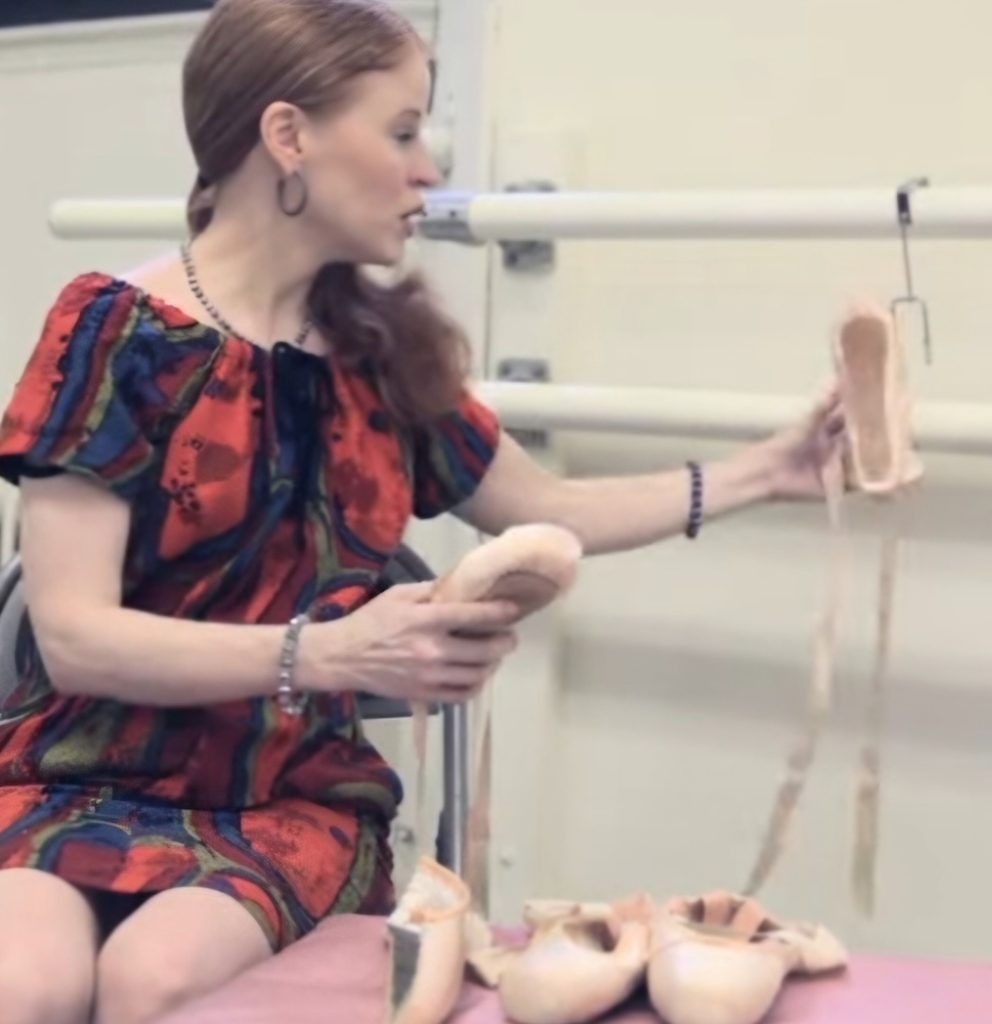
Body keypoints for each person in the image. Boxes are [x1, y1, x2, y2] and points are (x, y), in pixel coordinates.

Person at [0, 1, 844, 1022]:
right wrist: (331, 651)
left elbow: (549, 507)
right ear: (288, 136)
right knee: (24, 983)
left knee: (153, 980)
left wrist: (768, 470)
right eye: (400, 132)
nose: (425, 170)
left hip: (287, 802)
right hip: (78, 778)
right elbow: (74, 639)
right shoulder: (113, 332)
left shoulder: (380, 359)